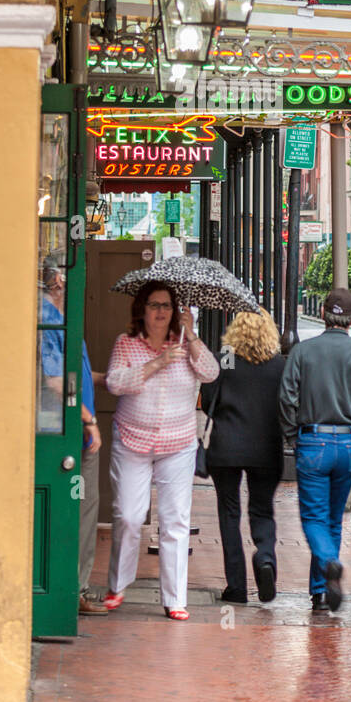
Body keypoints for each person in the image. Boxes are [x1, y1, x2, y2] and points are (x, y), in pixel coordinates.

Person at [104, 279, 219, 621]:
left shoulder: (187, 345)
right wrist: (158, 362)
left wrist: (192, 335)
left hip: (178, 444)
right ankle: (118, 584)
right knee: (128, 514)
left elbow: (211, 373)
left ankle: (175, 598)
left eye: (167, 306)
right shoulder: (127, 344)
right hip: (132, 441)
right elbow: (114, 383)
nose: (160, 312)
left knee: (175, 521)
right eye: (154, 305)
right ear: (141, 310)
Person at [279, 287, 351, 613]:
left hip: (313, 442)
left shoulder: (303, 352)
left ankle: (328, 566)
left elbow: (286, 398)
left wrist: (292, 436)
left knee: (313, 517)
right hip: (349, 445)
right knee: (333, 519)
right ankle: (321, 593)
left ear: (324, 313)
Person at [202, 308, 284, 605]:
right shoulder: (278, 365)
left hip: (227, 448)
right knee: (262, 511)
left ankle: (236, 586)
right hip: (266, 449)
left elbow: (208, 400)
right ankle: (264, 559)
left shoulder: (224, 358)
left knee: (229, 514)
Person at [39, 253, 107, 615]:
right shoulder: (49, 319)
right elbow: (52, 382)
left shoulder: (66, 318)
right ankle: (71, 590)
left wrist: (104, 379)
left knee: (84, 507)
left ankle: (72, 586)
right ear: (61, 280)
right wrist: (89, 419)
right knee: (77, 509)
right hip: (65, 432)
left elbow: (72, 375)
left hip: (75, 431)